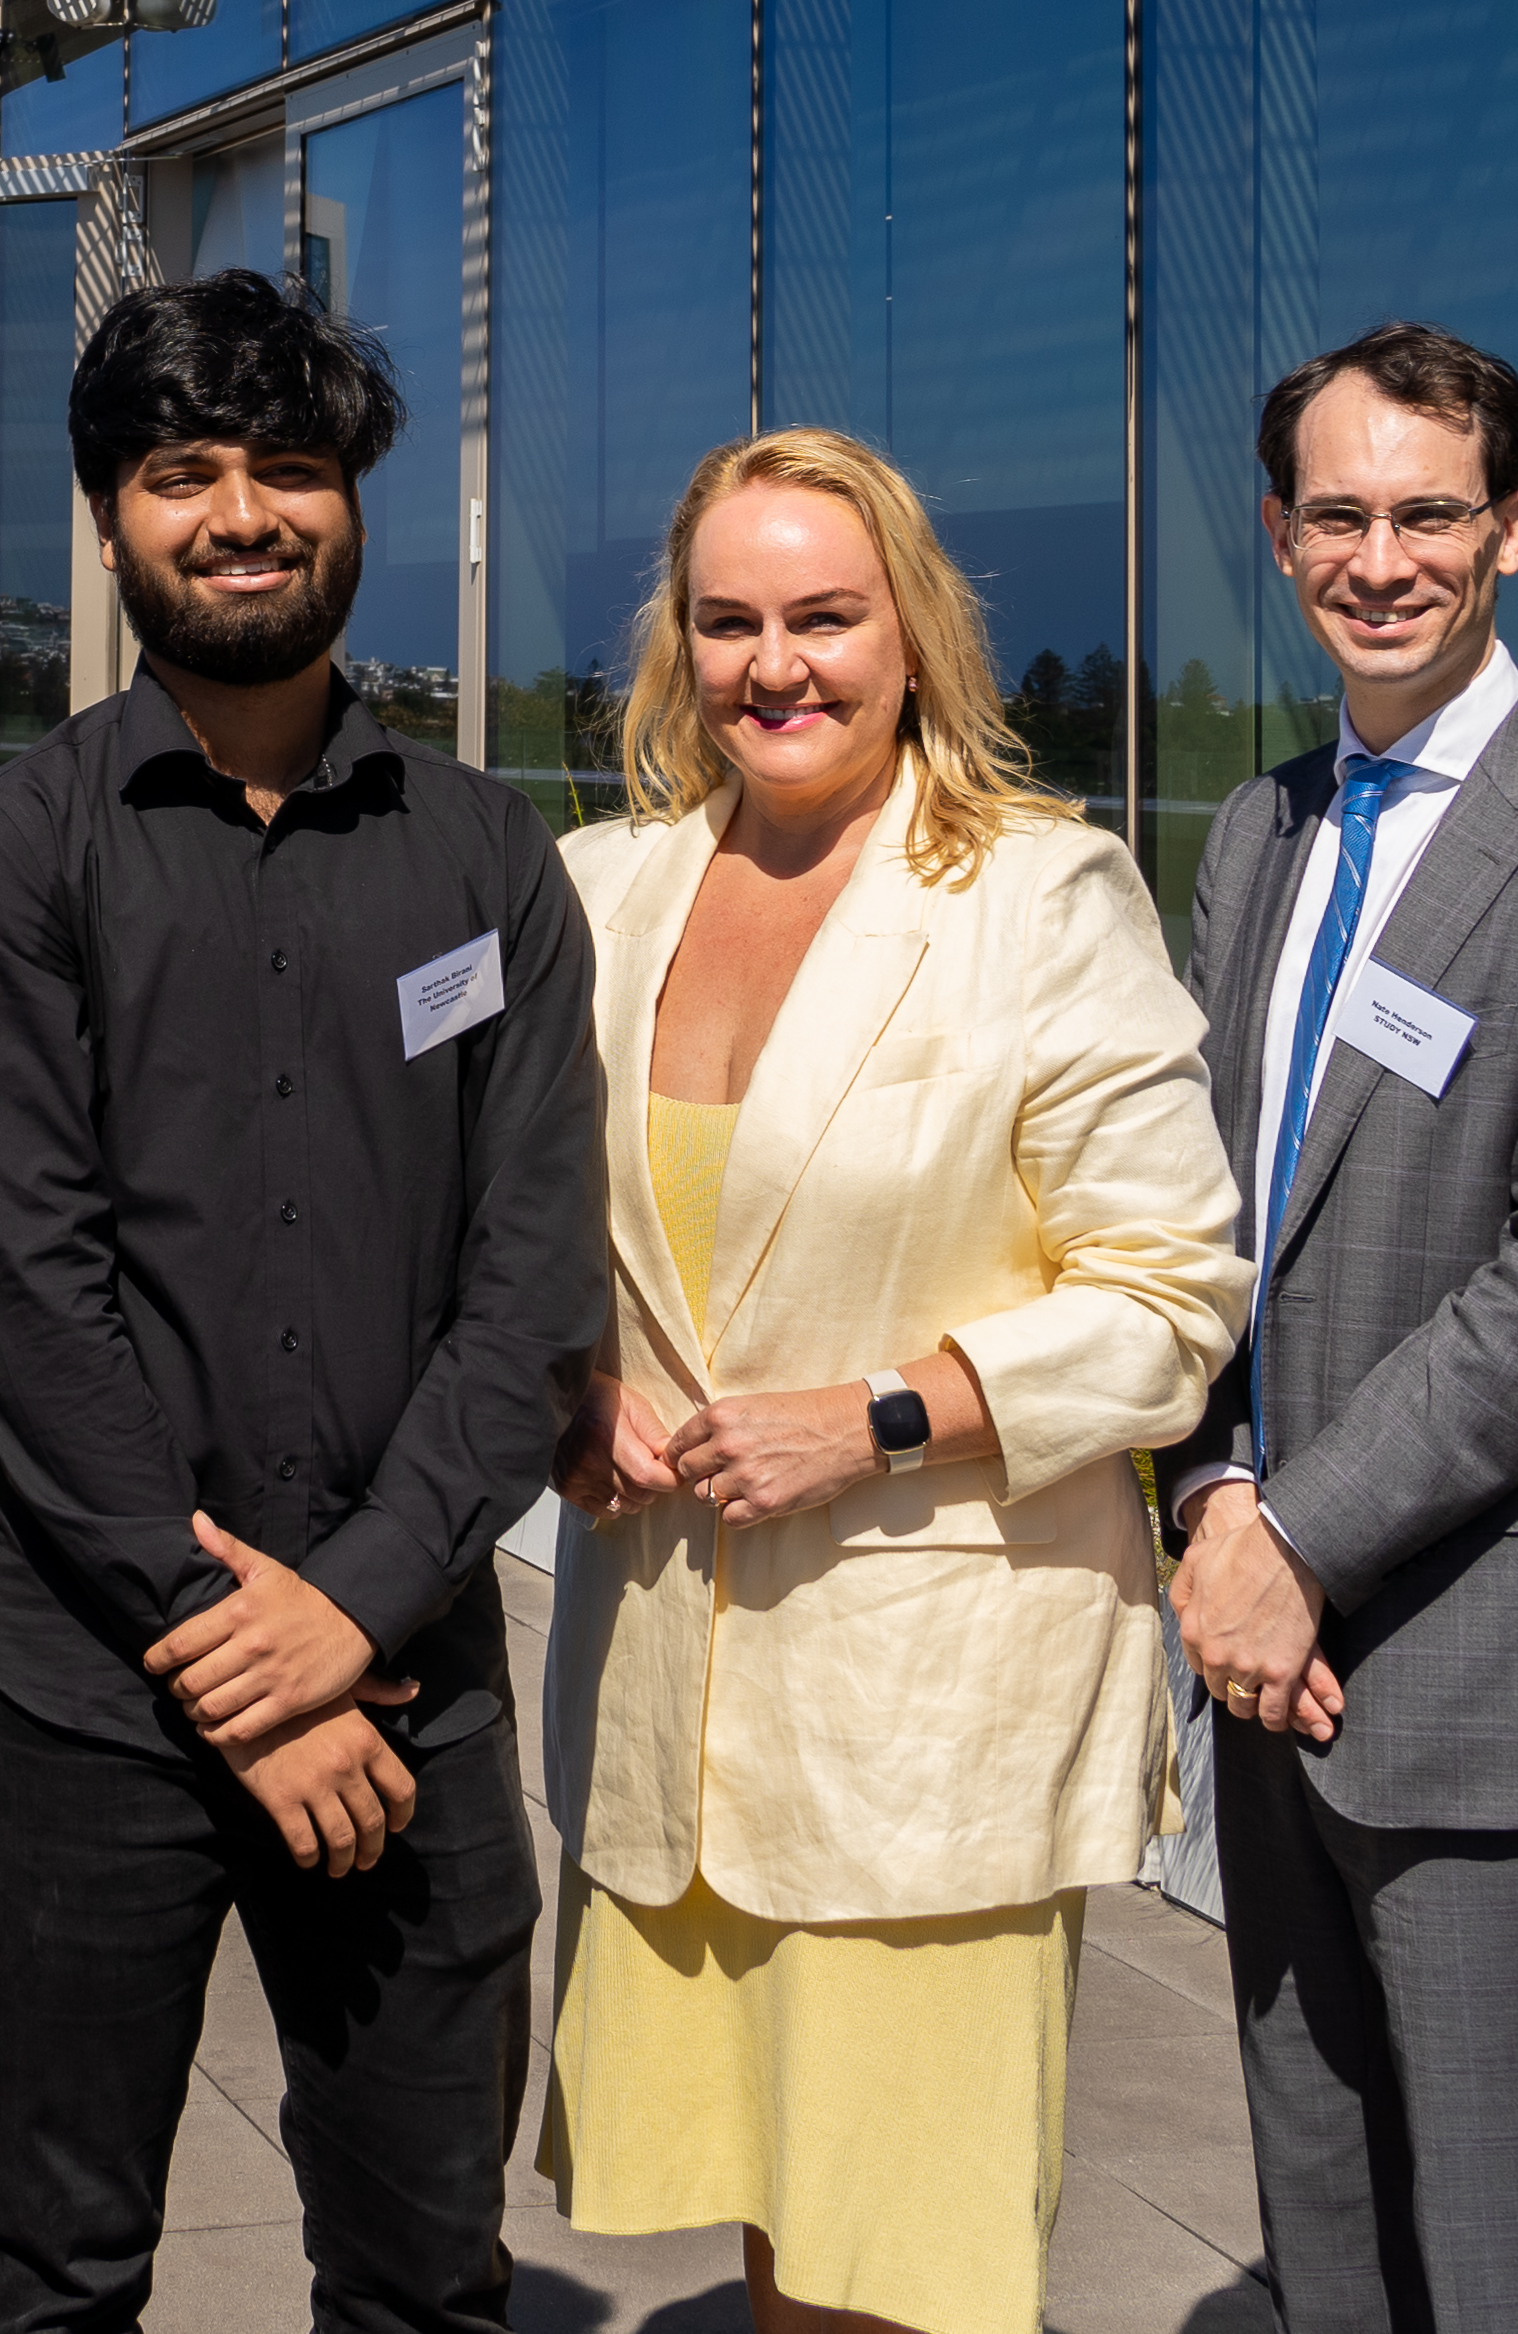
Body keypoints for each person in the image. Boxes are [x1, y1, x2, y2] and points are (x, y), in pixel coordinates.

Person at [0, 269, 604, 2334]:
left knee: (426, 2272)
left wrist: (352, 1610)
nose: (239, 515)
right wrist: (236, 1650)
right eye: (181, 472)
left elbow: (530, 1277)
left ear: (355, 500)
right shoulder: (9, 860)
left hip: (406, 1680)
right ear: (111, 516)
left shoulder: (488, 859)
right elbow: (30, 1300)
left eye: (288, 466)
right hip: (95, 1695)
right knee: (50, 2266)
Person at [529, 432, 1246, 2333]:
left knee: (911, 2267)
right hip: (667, 1698)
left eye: (825, 618)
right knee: (779, 2243)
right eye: (730, 622)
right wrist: (559, 1383)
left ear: (911, 634)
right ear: (678, 647)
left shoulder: (1040, 895)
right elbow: (520, 1232)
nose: (777, 665)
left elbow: (1172, 1299)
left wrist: (880, 1415)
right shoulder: (597, 890)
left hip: (925, 1721)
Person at [1166, 320, 1518, 2334]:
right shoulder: (1259, 835)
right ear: (1278, 533)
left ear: (1512, 528)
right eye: (1338, 515)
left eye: (1429, 513)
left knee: (1517, 2272)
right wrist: (1209, 1498)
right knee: (1331, 2243)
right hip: (1272, 1671)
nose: (1382, 559)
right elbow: (1206, 1223)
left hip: (1500, 1682)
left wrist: (1294, 1534)